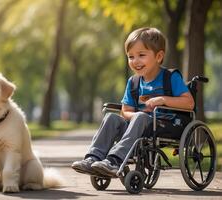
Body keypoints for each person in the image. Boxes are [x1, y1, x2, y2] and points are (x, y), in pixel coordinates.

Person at [71, 27, 195, 177]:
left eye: (141, 55)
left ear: (159, 56)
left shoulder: (170, 78)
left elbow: (189, 103)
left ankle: (114, 161)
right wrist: (134, 116)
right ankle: (93, 158)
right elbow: (126, 111)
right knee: (111, 117)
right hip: (138, 125)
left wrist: (163, 100)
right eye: (131, 57)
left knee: (141, 117)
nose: (135, 61)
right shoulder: (134, 82)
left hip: (167, 125)